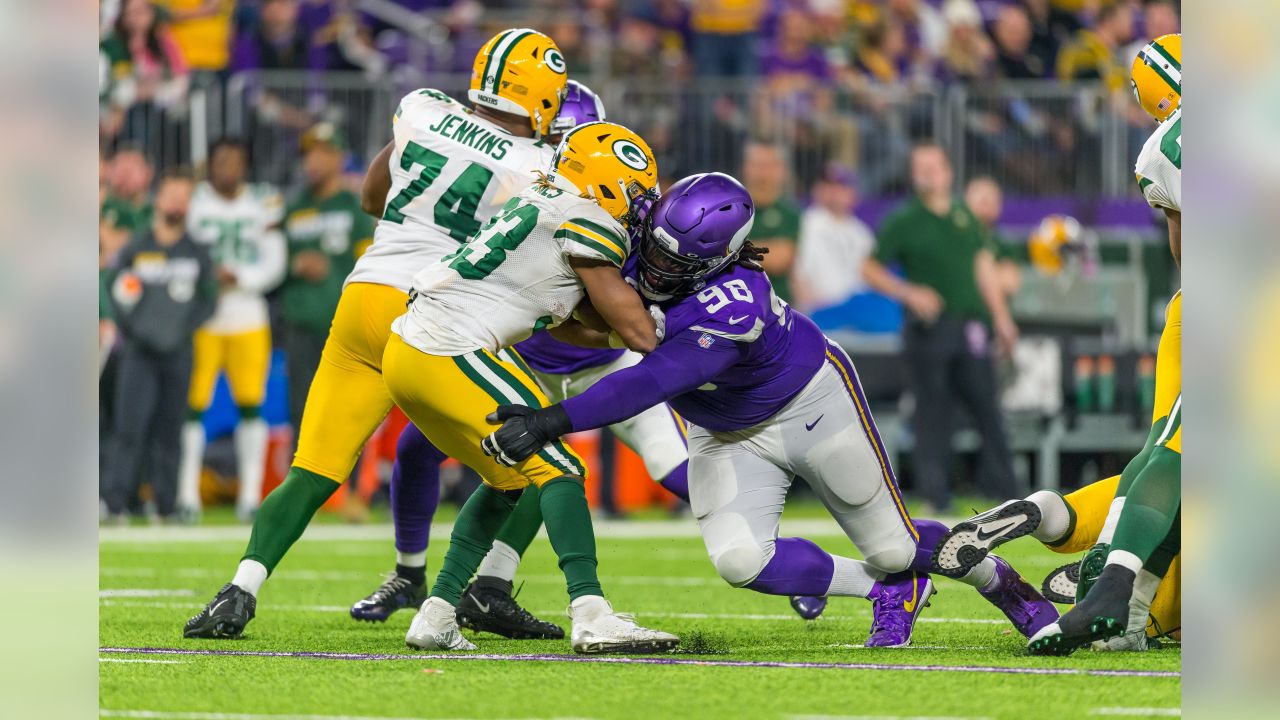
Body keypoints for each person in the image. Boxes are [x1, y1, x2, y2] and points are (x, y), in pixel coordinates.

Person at [481, 172, 1058, 647]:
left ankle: (1003, 583)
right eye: (652, 246)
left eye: (673, 260)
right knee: (739, 561)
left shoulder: (735, 301)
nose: (654, 266)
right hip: (723, 430)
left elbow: (652, 380)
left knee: (893, 546)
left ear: (720, 257)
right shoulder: (637, 236)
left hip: (809, 405)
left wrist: (551, 421)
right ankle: (888, 590)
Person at [183, 28, 570, 640]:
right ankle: (476, 594)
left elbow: (371, 194)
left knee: (312, 469)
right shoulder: (537, 165)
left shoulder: (423, 109)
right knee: (536, 463)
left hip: (362, 298)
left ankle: (239, 591)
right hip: (430, 315)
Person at [351, 81, 692, 641]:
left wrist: (613, 339)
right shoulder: (589, 219)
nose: (638, 201)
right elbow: (638, 331)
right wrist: (691, 325)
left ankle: (437, 615)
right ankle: (592, 614)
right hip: (448, 344)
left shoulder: (537, 197)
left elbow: (560, 318)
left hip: (418, 341)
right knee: (559, 465)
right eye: (634, 190)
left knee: (509, 475)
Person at [1027, 33, 1182, 656]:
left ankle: (1115, 586)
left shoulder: (1163, 147)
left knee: (1165, 449)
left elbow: (1184, 248)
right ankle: (1117, 597)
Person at [860, 143, 1019, 512]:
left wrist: (1001, 317)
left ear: (948, 171)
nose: (929, 173)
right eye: (921, 167)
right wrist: (908, 291)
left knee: (988, 408)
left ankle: (1006, 492)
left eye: (935, 166)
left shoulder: (964, 215)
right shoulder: (904, 220)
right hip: (929, 328)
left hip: (970, 325)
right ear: (914, 175)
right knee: (933, 412)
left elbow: (983, 267)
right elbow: (869, 267)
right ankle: (936, 495)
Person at [179, 138, 286, 524]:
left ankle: (251, 495)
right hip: (203, 316)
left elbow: (276, 261)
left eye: (235, 161)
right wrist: (205, 278)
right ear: (210, 164)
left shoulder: (263, 200)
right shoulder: (194, 200)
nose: (228, 168)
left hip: (247, 315)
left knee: (250, 404)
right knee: (193, 406)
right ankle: (187, 494)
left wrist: (240, 275)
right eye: (221, 160)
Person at [102, 171, 217, 523]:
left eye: (185, 197)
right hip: (138, 353)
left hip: (179, 352)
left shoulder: (197, 252)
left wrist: (180, 332)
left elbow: (208, 301)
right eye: (172, 195)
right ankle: (114, 501)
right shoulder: (137, 247)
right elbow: (115, 290)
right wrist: (136, 330)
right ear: (158, 199)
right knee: (128, 428)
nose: (178, 204)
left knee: (170, 430)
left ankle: (166, 505)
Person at [278, 123, 371, 433]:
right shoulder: (292, 208)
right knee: (301, 410)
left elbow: (370, 267)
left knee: (345, 411)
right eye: (308, 153)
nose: (313, 161)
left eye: (322, 152)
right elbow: (269, 261)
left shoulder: (356, 208)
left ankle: (354, 483)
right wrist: (293, 264)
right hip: (300, 325)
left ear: (340, 158)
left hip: (341, 327)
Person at [791, 164, 876, 317]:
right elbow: (796, 273)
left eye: (840, 187)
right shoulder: (806, 222)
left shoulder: (861, 233)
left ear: (853, 193)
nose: (833, 192)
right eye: (828, 185)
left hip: (858, 311)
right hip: (820, 311)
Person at [740, 142, 800, 303]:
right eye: (758, 165)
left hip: (777, 305)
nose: (764, 173)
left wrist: (733, 251)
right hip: (734, 303)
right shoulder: (730, 208)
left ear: (782, 171)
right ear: (746, 168)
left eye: (770, 166)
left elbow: (780, 259)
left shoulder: (790, 213)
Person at [964, 176, 1022, 299]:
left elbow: (1010, 283)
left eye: (990, 199)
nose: (985, 205)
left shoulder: (1002, 244)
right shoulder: (952, 236)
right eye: (981, 200)